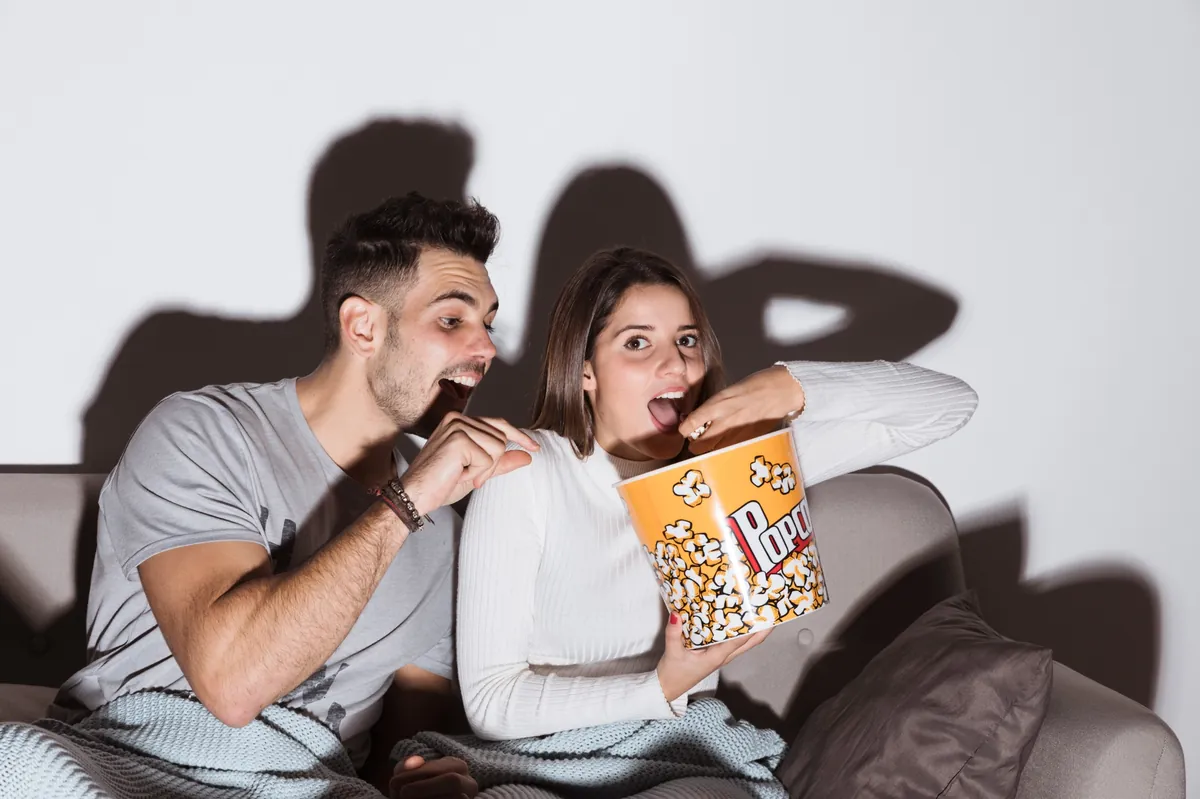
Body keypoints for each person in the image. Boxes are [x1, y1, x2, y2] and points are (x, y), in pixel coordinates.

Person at [49, 192, 533, 796]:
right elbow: (231, 684)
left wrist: (413, 781)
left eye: (487, 324)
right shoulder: (204, 432)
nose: (487, 349)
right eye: (452, 320)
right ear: (363, 326)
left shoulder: (450, 529)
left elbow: (401, 752)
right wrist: (408, 502)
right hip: (141, 764)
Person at [456, 246, 979, 741]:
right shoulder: (526, 473)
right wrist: (663, 685)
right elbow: (489, 704)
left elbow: (949, 405)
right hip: (541, 760)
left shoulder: (737, 470)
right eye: (637, 342)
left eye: (687, 340)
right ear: (585, 369)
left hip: (684, 752)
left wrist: (792, 385)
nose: (678, 367)